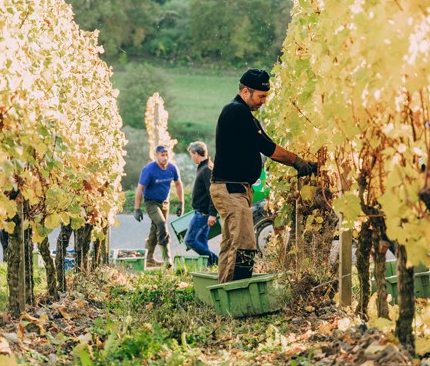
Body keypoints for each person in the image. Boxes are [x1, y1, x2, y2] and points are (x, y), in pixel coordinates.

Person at [210, 68, 317, 284]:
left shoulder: (244, 115)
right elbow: (268, 147)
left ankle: (224, 293)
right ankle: (236, 293)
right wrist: (297, 161)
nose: (263, 101)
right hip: (231, 189)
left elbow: (265, 142)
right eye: (261, 96)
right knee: (244, 245)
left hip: (236, 189)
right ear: (246, 91)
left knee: (232, 245)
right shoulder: (236, 112)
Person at [133, 145, 184, 268]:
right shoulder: (149, 169)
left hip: (164, 202)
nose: (165, 157)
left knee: (155, 229)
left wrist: (181, 203)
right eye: (162, 155)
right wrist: (137, 209)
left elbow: (178, 184)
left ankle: (149, 258)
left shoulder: (172, 168)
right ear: (156, 155)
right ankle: (167, 259)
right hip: (151, 202)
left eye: (167, 155)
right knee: (161, 224)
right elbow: (140, 189)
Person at [183, 141, 219, 266]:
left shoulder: (207, 169)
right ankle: (211, 267)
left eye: (192, 155)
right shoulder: (204, 167)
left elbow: (213, 193)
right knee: (202, 242)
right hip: (202, 212)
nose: (192, 158)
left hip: (203, 214)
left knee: (189, 240)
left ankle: (217, 261)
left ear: (196, 153)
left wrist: (213, 214)